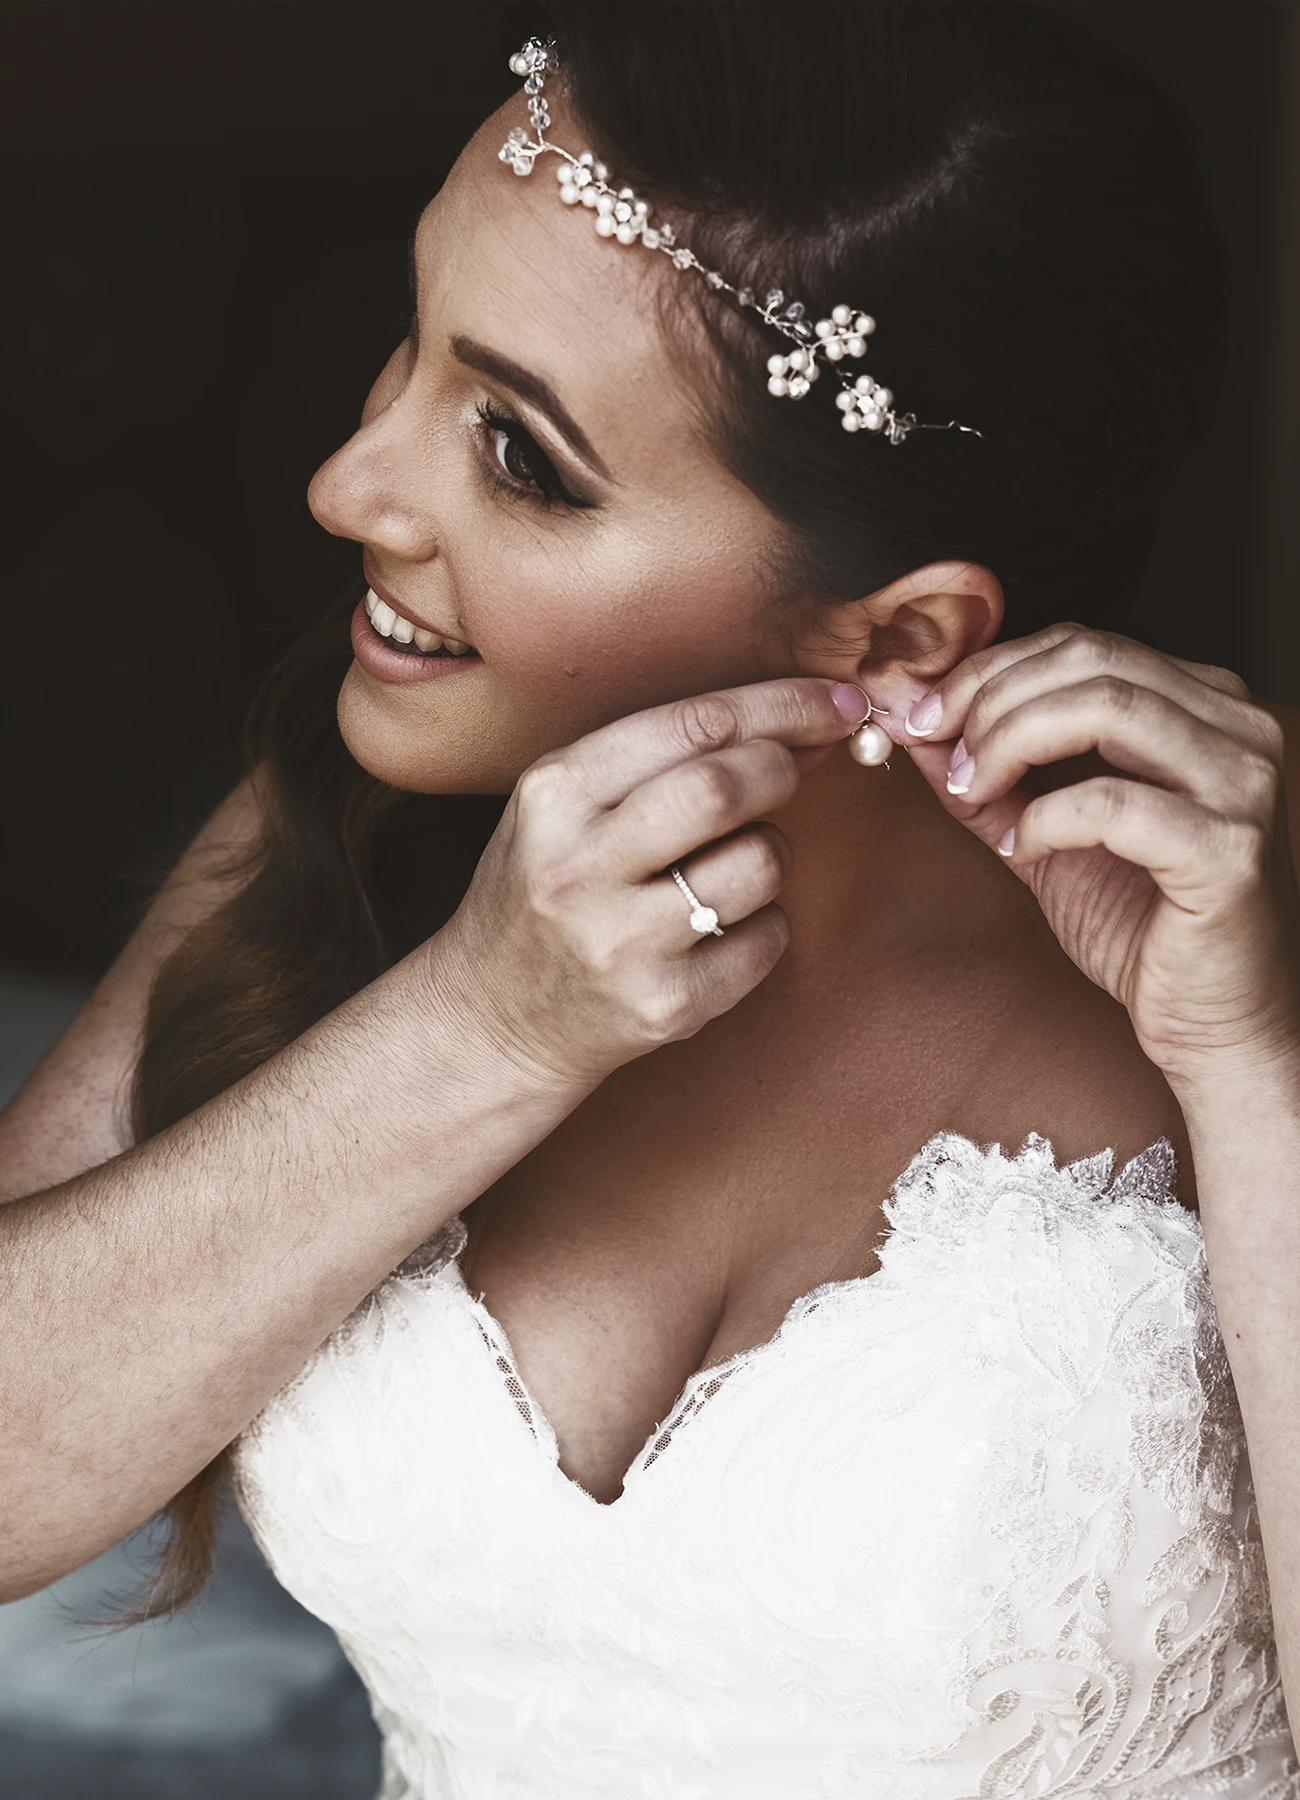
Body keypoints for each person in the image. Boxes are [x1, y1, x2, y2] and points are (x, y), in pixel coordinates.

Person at [4, 2, 1300, 1793]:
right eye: (413, 345)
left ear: (901, 634)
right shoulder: (360, 799)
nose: (345, 485)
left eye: (520, 455)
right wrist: (475, 1021)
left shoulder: (1240, 935)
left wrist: (1248, 1068)